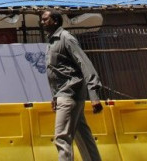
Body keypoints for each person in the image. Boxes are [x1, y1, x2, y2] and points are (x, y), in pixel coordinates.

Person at [40, 9, 103, 161]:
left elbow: (85, 64)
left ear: (55, 20)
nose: (42, 22)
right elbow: (58, 72)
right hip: (64, 94)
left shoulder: (66, 38)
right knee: (83, 138)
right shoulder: (52, 41)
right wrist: (55, 97)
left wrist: (94, 95)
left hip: (70, 94)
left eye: (45, 19)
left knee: (62, 138)